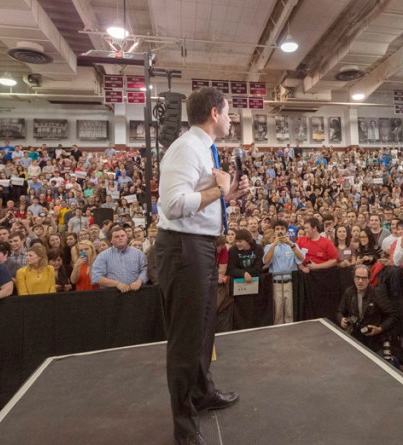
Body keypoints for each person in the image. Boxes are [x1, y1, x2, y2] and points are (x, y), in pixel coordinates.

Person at [155, 86, 249, 445]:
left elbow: (197, 199)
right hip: (183, 249)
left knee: (204, 330)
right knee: (185, 340)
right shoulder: (186, 148)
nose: (231, 118)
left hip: (201, 247)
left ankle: (201, 393)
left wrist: (227, 196)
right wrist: (220, 192)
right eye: (228, 112)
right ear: (213, 113)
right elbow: (173, 205)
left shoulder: (203, 148)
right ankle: (184, 426)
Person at [335, 265, 397, 353]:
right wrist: (341, 320)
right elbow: (339, 311)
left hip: (374, 338)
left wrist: (380, 328)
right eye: (357, 277)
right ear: (353, 278)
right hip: (354, 335)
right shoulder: (349, 292)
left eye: (364, 278)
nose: (360, 281)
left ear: (369, 279)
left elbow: (393, 315)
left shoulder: (377, 293)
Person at [263, 220, 304, 325]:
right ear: (274, 231)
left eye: (282, 229)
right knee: (278, 312)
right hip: (276, 283)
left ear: (286, 231)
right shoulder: (269, 247)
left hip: (290, 283)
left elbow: (301, 258)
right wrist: (273, 245)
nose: (280, 231)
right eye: (277, 229)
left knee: (290, 311)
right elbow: (266, 261)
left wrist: (291, 244)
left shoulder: (293, 245)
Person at [90, 227, 147, 293]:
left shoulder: (138, 254)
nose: (120, 238)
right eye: (116, 237)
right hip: (112, 295)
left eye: (123, 236)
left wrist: (140, 281)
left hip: (136, 293)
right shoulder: (102, 256)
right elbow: (96, 277)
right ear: (110, 240)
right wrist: (117, 284)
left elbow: (145, 269)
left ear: (127, 238)